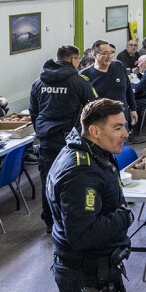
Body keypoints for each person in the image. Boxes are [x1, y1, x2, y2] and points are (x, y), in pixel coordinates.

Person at [46, 98, 133, 292]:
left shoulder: (90, 154)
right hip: (88, 275)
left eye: (125, 126)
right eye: (118, 127)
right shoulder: (81, 170)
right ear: (94, 131)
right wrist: (124, 217)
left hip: (84, 271)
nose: (125, 133)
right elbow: (83, 234)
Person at [30, 44, 98, 232]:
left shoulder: (38, 82)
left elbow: (33, 112)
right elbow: (94, 109)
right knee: (74, 180)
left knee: (48, 180)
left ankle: (50, 221)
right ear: (73, 60)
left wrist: (42, 132)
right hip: (71, 140)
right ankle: (70, 220)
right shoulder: (79, 81)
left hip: (46, 140)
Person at [82, 40, 140, 143]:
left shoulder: (118, 66)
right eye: (105, 53)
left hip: (122, 119)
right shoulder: (85, 75)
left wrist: (133, 109)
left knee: (121, 149)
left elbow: (128, 89)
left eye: (111, 52)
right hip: (101, 123)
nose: (110, 56)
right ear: (94, 55)